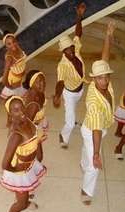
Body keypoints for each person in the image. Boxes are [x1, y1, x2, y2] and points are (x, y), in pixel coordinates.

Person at [80, 21, 116, 205]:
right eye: (100, 78)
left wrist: (107, 36)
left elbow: (105, 59)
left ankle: (83, 159)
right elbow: (96, 131)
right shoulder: (94, 102)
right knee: (94, 167)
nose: (104, 80)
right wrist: (96, 154)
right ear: (93, 79)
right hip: (93, 129)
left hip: (97, 126)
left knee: (88, 150)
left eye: (106, 76)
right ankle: (86, 190)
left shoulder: (105, 83)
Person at [0, 95, 46, 212]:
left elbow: (35, 138)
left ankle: (24, 198)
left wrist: (37, 155)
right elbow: (5, 163)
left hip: (29, 164)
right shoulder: (16, 135)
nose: (21, 112)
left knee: (24, 193)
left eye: (22, 107)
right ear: (10, 113)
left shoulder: (27, 121)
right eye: (16, 110)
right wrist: (16, 169)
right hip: (19, 171)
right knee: (21, 204)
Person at [52, 2, 88, 149]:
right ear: (63, 52)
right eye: (67, 50)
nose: (71, 51)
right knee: (69, 119)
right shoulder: (62, 65)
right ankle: (63, 135)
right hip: (70, 94)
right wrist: (56, 96)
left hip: (80, 90)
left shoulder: (76, 51)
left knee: (74, 111)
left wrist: (79, 17)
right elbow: (60, 82)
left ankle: (72, 122)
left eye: (71, 48)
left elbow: (78, 34)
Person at [0, 31, 28, 127]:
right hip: (13, 82)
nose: (13, 45)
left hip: (20, 80)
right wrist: (11, 87)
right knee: (13, 103)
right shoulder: (9, 58)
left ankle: (20, 117)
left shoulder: (18, 49)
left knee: (20, 102)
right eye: (9, 44)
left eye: (14, 42)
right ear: (6, 46)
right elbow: (3, 80)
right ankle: (10, 122)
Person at [22, 70, 48, 162]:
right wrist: (33, 140)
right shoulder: (33, 104)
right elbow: (27, 123)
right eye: (39, 82)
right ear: (31, 84)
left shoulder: (39, 92)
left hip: (37, 122)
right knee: (39, 156)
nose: (42, 84)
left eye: (43, 80)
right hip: (32, 128)